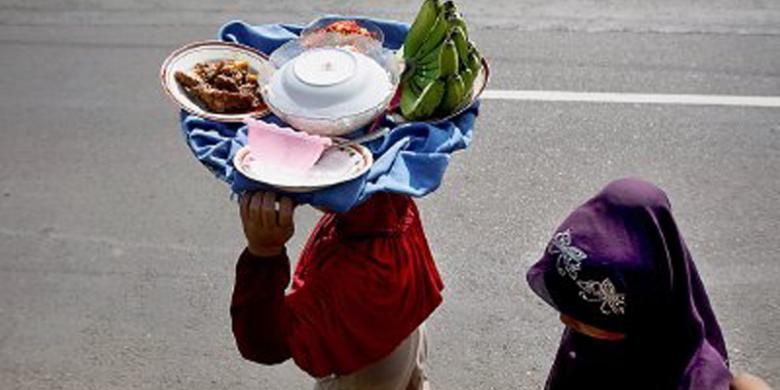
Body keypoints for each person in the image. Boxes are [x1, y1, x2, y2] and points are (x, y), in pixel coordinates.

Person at [526, 177, 773, 390]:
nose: (566, 321)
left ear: (642, 305)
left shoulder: (694, 380)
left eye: (586, 315)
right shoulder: (591, 346)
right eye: (568, 308)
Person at [231, 191, 443, 389]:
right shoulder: (393, 204)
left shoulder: (350, 277)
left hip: (363, 372)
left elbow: (264, 344)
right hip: (405, 334)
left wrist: (264, 252)